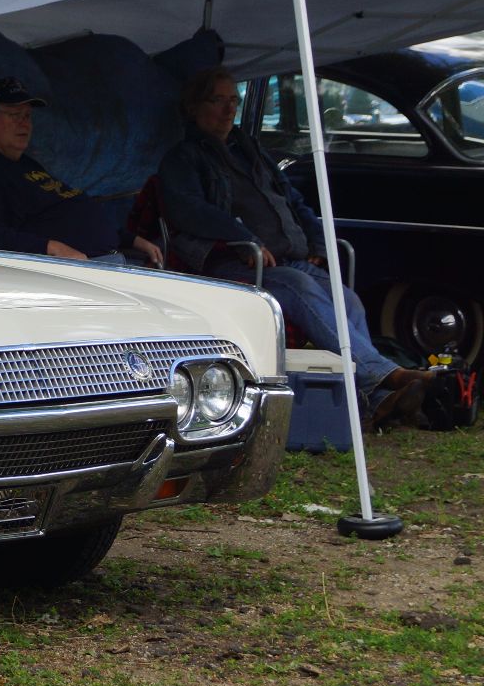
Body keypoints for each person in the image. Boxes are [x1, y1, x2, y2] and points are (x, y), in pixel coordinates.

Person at [156, 66, 433, 425]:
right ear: (193, 107)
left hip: (283, 260)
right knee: (300, 287)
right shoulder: (184, 157)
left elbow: (292, 198)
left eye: (233, 101)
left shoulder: (249, 148)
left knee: (347, 299)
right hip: (233, 262)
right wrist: (244, 240)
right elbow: (189, 211)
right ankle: (386, 377)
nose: (229, 110)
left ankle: (375, 400)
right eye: (217, 100)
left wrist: (316, 240)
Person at [0, 77, 163, 265]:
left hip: (107, 259)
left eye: (28, 116)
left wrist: (130, 239)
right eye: (15, 115)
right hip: (71, 274)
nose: (25, 124)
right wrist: (52, 248)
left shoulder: (26, 164)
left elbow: (63, 205)